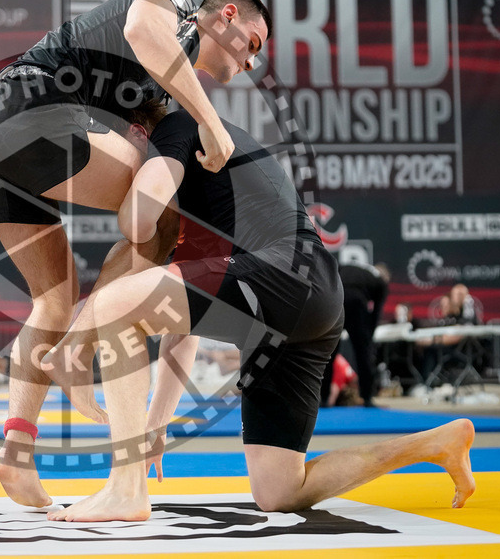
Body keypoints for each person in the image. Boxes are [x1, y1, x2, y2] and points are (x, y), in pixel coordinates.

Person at [43, 108, 474, 522]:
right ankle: (433, 445)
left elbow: (136, 222)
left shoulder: (176, 127)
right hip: (310, 306)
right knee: (279, 492)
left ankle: (125, 487)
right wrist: (156, 427)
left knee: (116, 303)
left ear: (137, 133)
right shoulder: (201, 207)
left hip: (287, 276)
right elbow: (181, 332)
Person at [0, 0, 269, 507]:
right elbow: (140, 31)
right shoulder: (174, 6)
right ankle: (77, 350)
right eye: (253, 44)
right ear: (228, 17)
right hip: (31, 112)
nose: (251, 62)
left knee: (54, 297)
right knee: (159, 223)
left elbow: (138, 138)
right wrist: (211, 128)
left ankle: (15, 451)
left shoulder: (163, 94)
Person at [321, 262, 389, 407]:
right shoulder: (380, 283)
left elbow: (328, 279)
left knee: (329, 354)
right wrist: (367, 338)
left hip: (337, 299)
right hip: (356, 302)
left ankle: (323, 398)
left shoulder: (350, 268)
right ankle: (367, 398)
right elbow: (376, 313)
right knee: (363, 354)